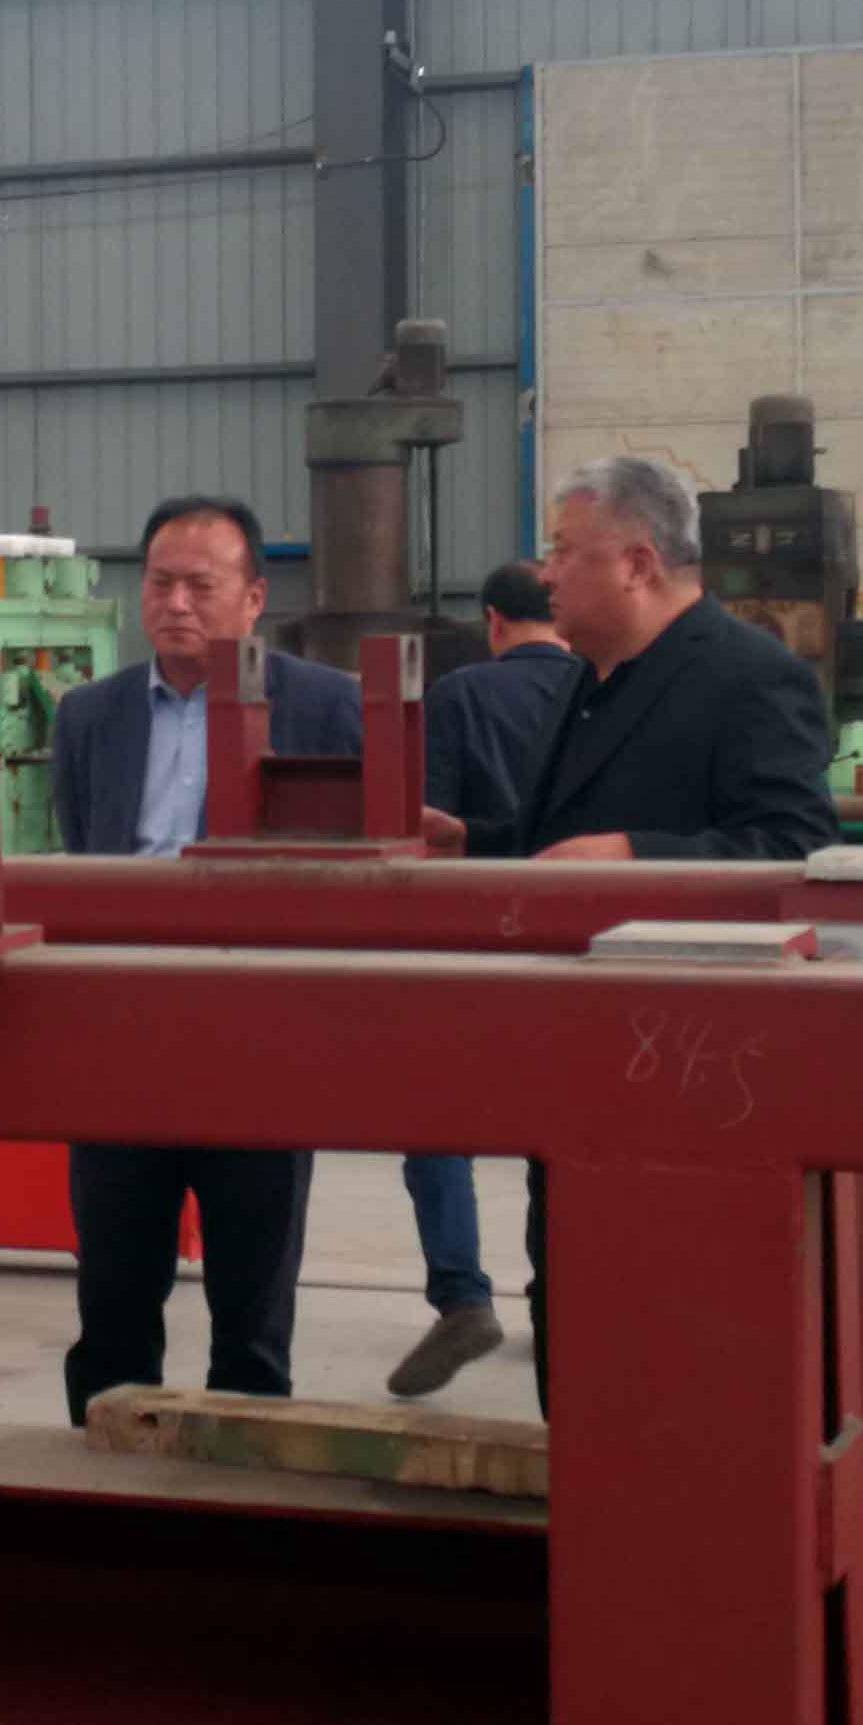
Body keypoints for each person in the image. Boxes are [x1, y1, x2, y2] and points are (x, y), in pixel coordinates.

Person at [426, 456, 842, 1412]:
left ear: (637, 563)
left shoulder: (748, 679)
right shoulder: (588, 681)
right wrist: (475, 843)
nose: (545, 574)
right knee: (575, 1318)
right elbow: (558, 842)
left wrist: (633, 856)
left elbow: (796, 847)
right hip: (583, 1070)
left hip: (698, 1082)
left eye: (564, 552)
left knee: (677, 1354)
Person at [50, 495, 362, 1427]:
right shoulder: (89, 716)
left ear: (254, 597)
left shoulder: (329, 708)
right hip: (122, 1031)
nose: (175, 603)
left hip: (260, 1032)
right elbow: (85, 851)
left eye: (199, 584)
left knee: (253, 1297)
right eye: (159, 583)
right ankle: (105, 1459)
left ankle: (246, 1467)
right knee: (113, 1283)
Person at [386, 559, 581, 1399]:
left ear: (492, 621)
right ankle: (559, 1299)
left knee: (435, 1123)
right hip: (578, 946)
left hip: (470, 944)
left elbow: (424, 830)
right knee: (562, 1136)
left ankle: (462, 1296)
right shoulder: (599, 695)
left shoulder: (459, 697)